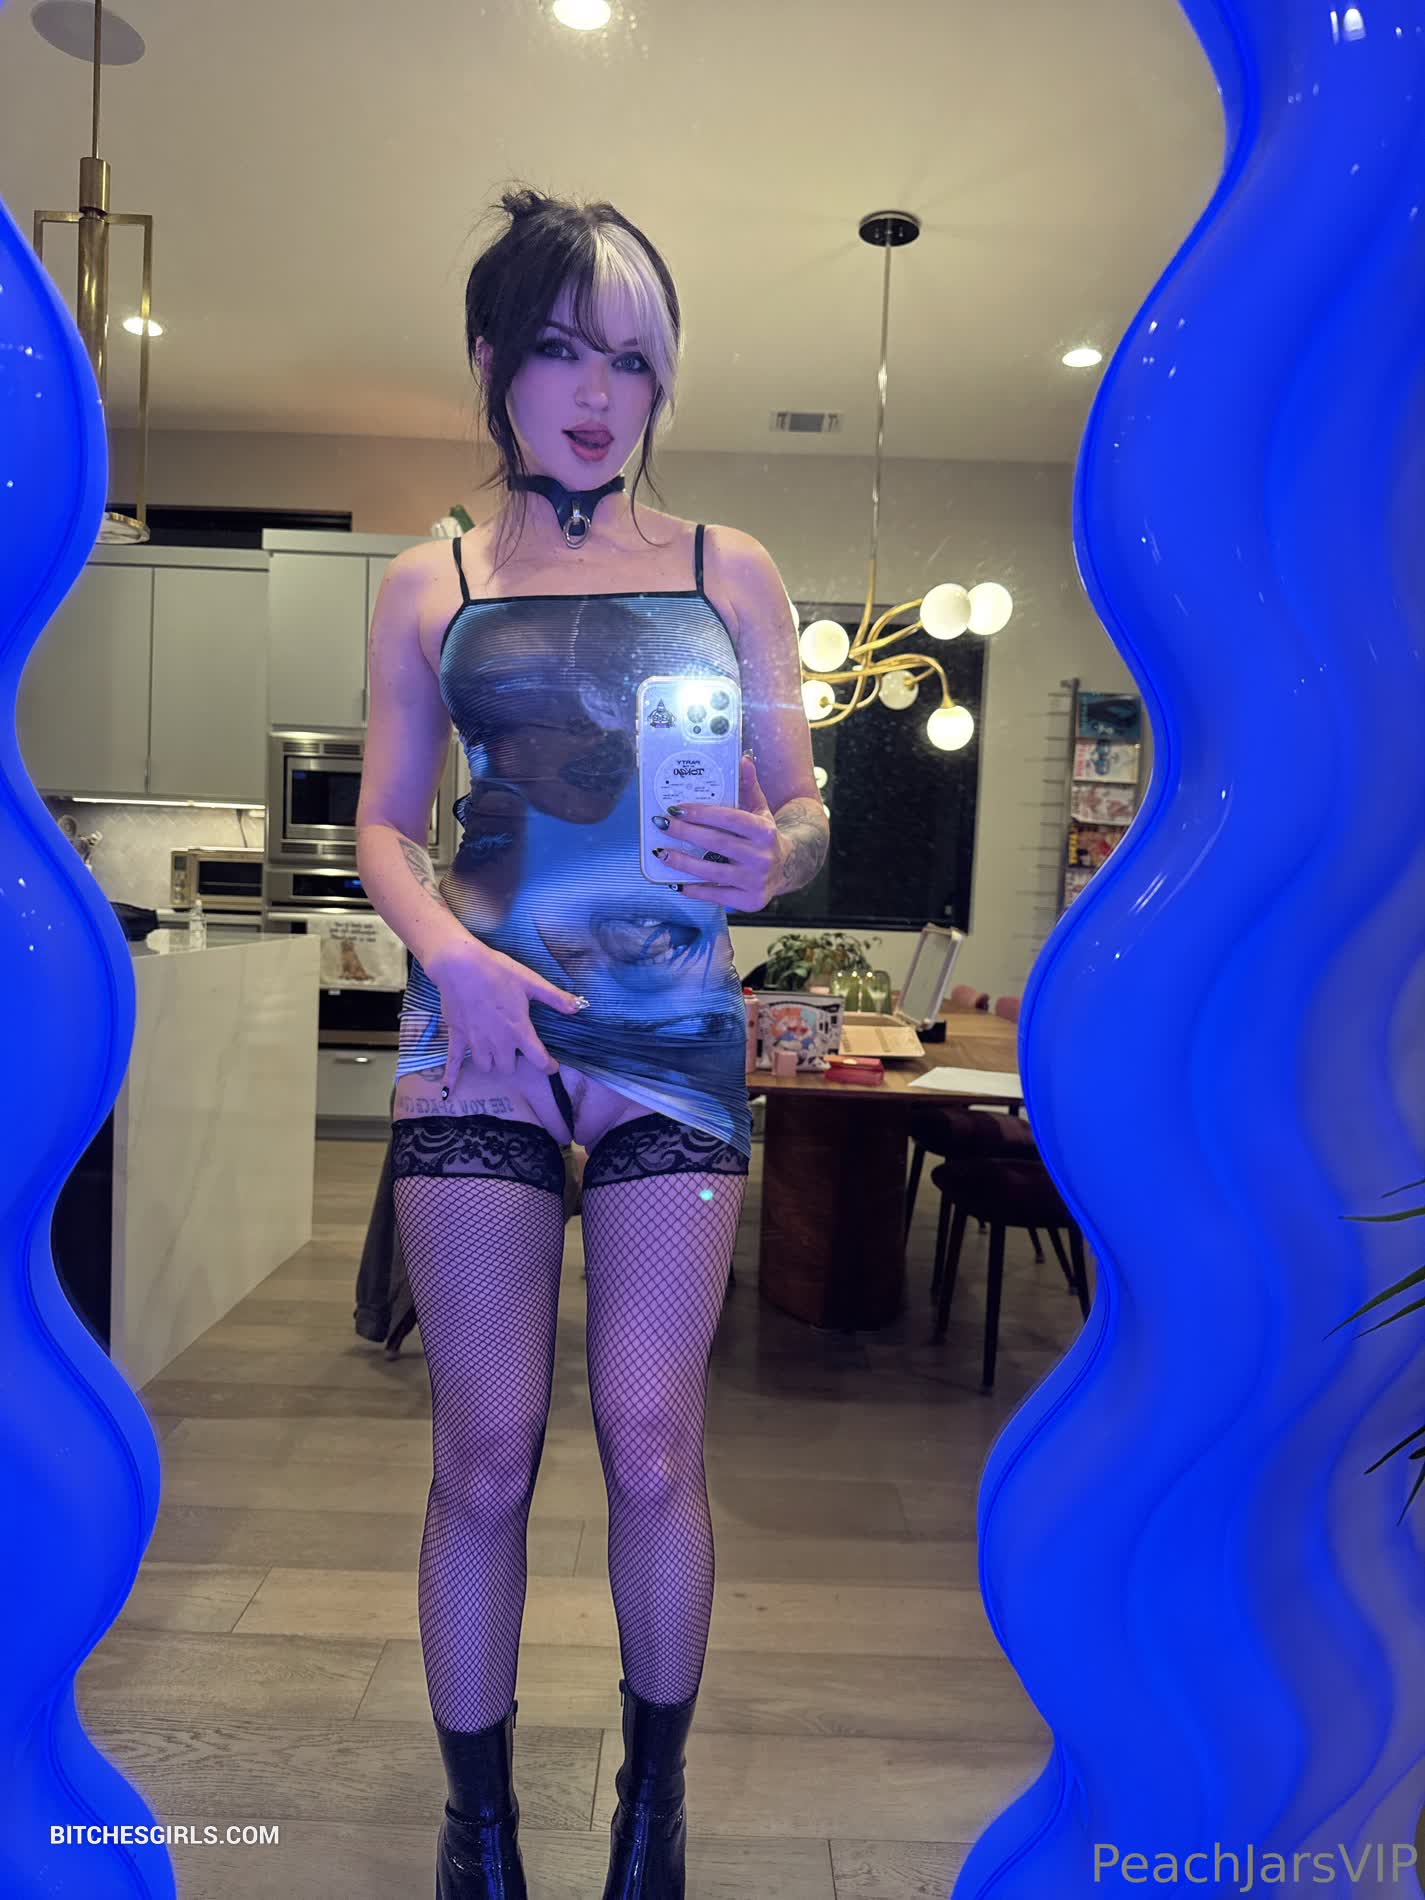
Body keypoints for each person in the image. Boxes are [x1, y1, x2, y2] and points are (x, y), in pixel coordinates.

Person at [354, 183, 829, 1900]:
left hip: (673, 1039)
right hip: (479, 1035)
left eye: (632, 360)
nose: (598, 392)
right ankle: (475, 1828)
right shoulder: (428, 577)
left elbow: (804, 809)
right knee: (481, 1453)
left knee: (650, 1435)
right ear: (493, 358)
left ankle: (651, 1810)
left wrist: (782, 852)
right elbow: (384, 825)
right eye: (563, 349)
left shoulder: (728, 571)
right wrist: (449, 960)